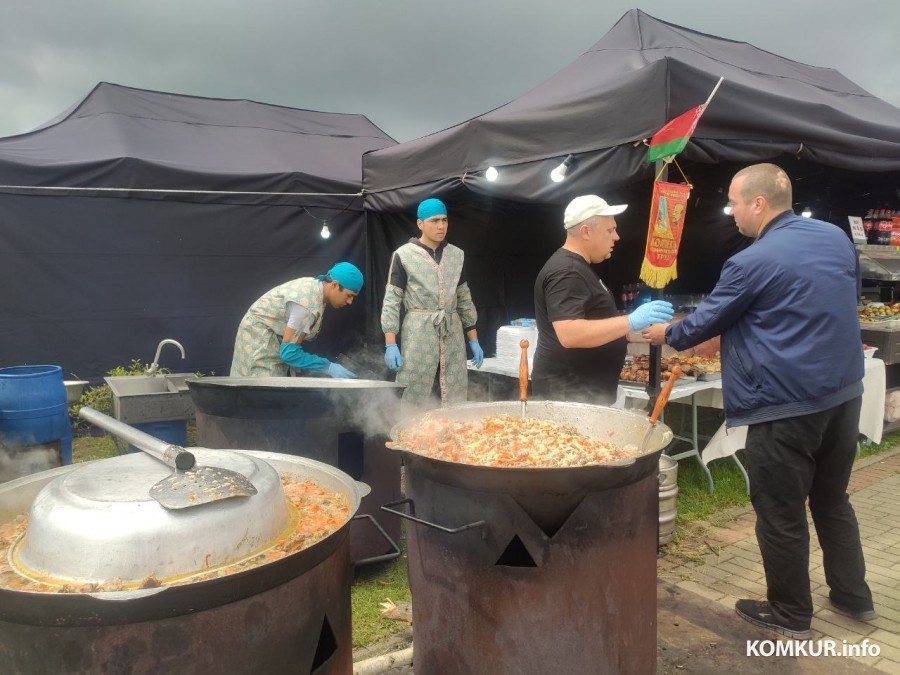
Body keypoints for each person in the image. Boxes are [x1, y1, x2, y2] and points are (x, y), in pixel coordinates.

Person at [643, 163, 875, 639]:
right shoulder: (835, 238)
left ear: (759, 204)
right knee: (832, 499)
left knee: (780, 510)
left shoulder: (751, 261)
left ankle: (790, 611)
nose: (731, 214)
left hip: (786, 403)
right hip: (845, 393)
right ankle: (854, 596)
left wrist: (665, 332)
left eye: (734, 203)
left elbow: (706, 321)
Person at [531, 195, 674, 404]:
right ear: (585, 232)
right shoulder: (567, 271)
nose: (616, 237)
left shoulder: (577, 267)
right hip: (568, 396)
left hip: (581, 393)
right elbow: (569, 333)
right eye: (610, 230)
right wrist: (630, 321)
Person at [381, 198, 483, 410]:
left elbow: (464, 298)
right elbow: (392, 300)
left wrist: (473, 339)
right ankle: (408, 434)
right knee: (413, 389)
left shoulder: (456, 255)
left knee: (455, 390)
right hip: (418, 331)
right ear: (420, 224)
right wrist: (391, 343)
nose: (441, 226)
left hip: (452, 331)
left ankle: (453, 436)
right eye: (434, 220)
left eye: (445, 220)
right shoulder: (404, 255)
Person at [230, 262, 362, 378]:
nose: (350, 302)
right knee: (260, 394)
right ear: (334, 285)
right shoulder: (306, 305)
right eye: (349, 295)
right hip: (258, 341)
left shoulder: (315, 289)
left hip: (269, 338)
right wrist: (328, 367)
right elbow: (289, 354)